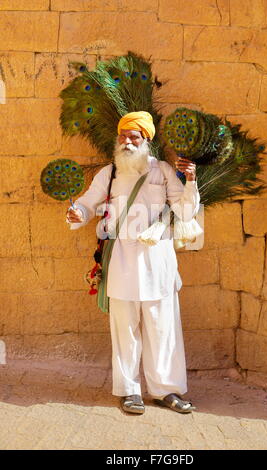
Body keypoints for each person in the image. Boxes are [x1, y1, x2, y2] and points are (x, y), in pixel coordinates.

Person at [66, 111, 200, 414]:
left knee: (163, 329)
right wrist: (78, 214)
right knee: (124, 330)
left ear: (146, 141)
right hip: (122, 265)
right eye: (123, 135)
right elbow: (88, 204)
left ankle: (167, 391)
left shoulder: (163, 171)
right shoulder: (109, 173)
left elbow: (186, 212)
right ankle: (129, 391)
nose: (127, 141)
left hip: (158, 263)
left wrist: (191, 180)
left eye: (134, 136)